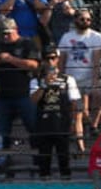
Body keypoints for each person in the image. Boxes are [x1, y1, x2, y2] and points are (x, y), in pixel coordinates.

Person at [29, 49, 83, 179]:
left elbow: (75, 105)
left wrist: (77, 129)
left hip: (62, 125)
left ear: (58, 59)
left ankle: (66, 185)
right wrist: (44, 84)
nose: (50, 61)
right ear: (42, 61)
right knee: (44, 163)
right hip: (43, 126)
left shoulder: (68, 80)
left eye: (53, 58)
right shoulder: (35, 81)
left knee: (64, 161)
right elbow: (33, 100)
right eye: (47, 59)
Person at [0, 17, 39, 153]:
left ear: (16, 30)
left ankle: (39, 157)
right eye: (3, 33)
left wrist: (11, 59)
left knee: (33, 127)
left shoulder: (27, 44)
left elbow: (33, 65)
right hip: (2, 94)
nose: (5, 36)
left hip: (23, 93)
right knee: (2, 131)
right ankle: (4, 159)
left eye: (8, 33)